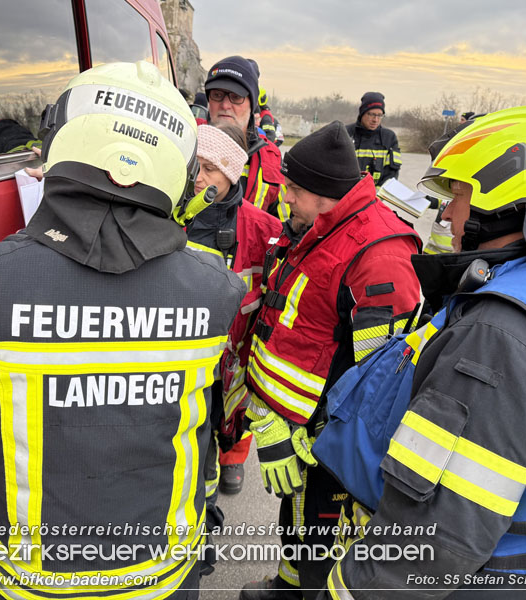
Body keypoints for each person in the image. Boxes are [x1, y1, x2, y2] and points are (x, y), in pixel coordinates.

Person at [0, 61, 245, 600]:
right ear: (177, 172)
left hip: (33, 582)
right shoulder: (217, 289)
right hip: (160, 577)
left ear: (57, 142)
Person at [322, 106, 526, 599]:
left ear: (505, 203)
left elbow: (437, 534)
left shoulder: (499, 334)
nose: (448, 213)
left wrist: (351, 591)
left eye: (458, 195)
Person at [240, 121, 422, 599]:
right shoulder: (320, 226)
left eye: (292, 192)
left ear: (321, 193)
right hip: (298, 419)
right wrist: (273, 418)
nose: (286, 202)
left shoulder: (376, 253)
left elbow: (378, 380)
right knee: (298, 514)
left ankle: (309, 593)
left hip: (329, 433)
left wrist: (328, 437)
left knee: (325, 527)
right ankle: (289, 586)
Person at [187, 123, 282, 508]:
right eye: (195, 165)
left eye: (210, 168)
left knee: (224, 428)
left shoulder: (263, 230)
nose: (198, 177)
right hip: (180, 359)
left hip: (230, 362)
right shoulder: (169, 215)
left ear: (231, 172)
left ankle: (207, 507)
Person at [204, 56, 286, 219]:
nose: (225, 105)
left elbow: (285, 230)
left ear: (252, 104)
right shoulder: (186, 144)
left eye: (236, 97)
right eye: (217, 95)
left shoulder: (272, 161)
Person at [346, 92, 401, 187]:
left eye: (379, 115)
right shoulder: (345, 133)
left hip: (375, 197)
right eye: (371, 114)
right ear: (362, 113)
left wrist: (375, 194)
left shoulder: (389, 138)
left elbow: (391, 174)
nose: (375, 120)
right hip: (347, 195)